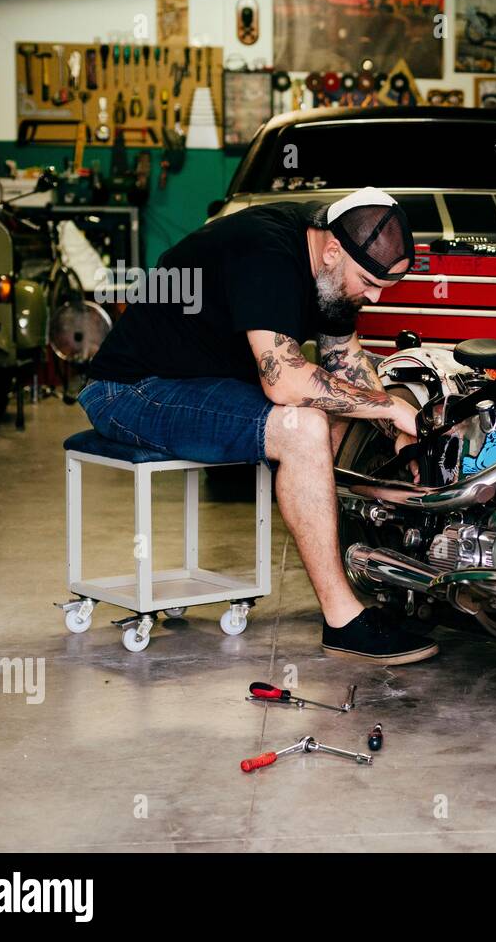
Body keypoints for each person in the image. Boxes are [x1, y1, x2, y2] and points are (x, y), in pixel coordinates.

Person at [81, 187, 438, 664]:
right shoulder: (266, 252)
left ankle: (385, 578)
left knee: (342, 418)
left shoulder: (329, 265)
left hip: (198, 384)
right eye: (367, 282)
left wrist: (398, 430)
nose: (372, 296)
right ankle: (343, 621)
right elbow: (285, 380)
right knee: (303, 426)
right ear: (333, 250)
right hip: (130, 391)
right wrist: (392, 409)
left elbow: (344, 361)